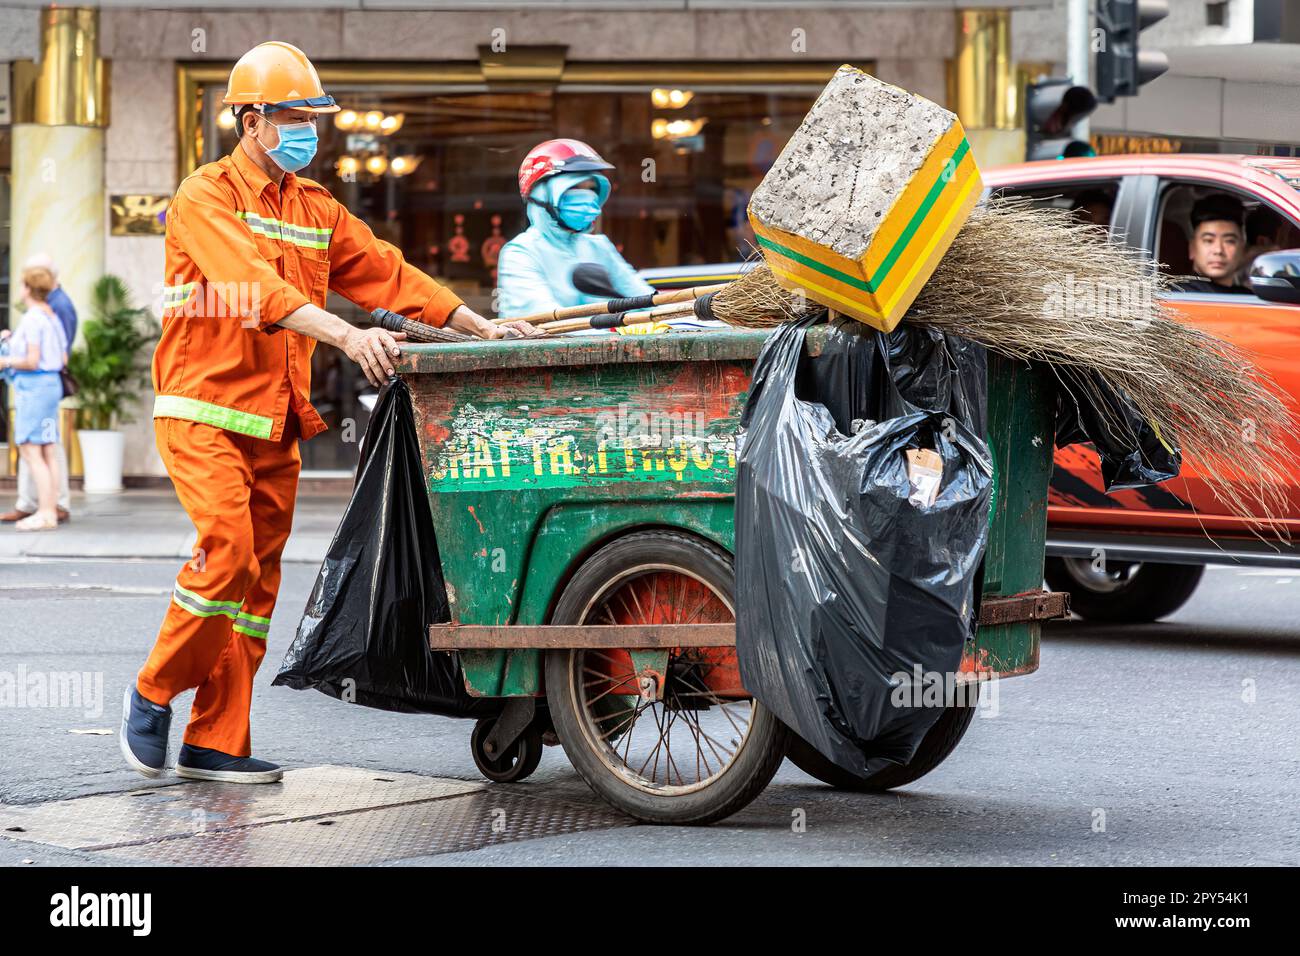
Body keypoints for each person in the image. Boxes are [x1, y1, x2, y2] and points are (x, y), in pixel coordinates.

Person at [119, 41, 537, 786]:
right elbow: (253, 289)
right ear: (252, 121)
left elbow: (385, 272)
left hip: (274, 421)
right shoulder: (204, 196)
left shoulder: (315, 208)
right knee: (228, 557)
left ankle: (217, 737)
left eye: (316, 117)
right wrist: (348, 335)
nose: (313, 130)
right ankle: (154, 688)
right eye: (297, 117)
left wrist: (479, 325)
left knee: (255, 593)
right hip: (204, 411)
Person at [497, 139, 716, 332]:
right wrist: (617, 328)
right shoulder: (520, 253)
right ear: (542, 195)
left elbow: (648, 302)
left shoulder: (598, 246)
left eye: (591, 188)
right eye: (574, 188)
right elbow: (547, 325)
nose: (586, 196)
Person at [2, 253, 75, 525]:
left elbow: (32, 360)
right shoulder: (51, 317)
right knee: (47, 451)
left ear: (27, 288)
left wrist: (5, 359)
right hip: (50, 386)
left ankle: (44, 512)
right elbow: (62, 358)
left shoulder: (33, 318)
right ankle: (50, 509)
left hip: (34, 390)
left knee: (32, 451)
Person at [1170, 193, 1252, 294]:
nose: (1218, 250)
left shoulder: (1246, 296)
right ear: (1192, 248)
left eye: (1229, 241)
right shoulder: (1179, 295)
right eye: (1208, 240)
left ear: (1242, 249)